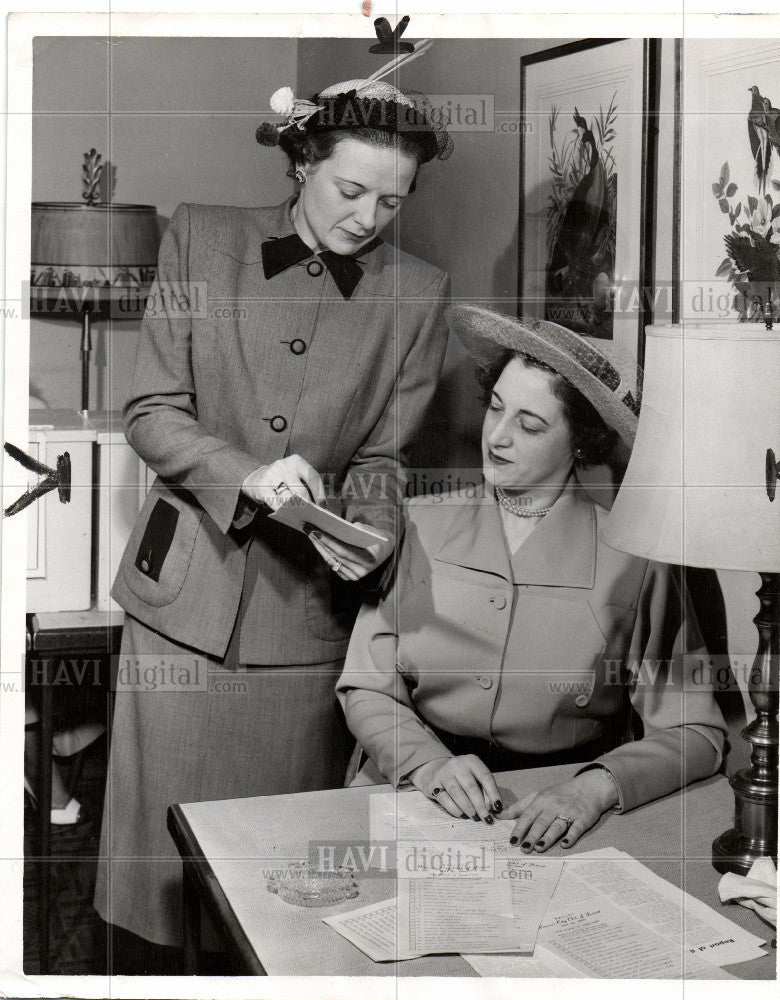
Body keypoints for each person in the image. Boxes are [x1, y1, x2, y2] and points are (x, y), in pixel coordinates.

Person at [94, 70, 452, 957]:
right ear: (301, 161)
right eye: (351, 189)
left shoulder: (419, 293)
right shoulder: (200, 240)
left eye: (392, 201)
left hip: (302, 626)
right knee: (155, 889)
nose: (369, 217)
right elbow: (150, 412)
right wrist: (249, 477)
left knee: (277, 898)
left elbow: (380, 460)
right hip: (179, 606)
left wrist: (369, 533)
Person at [337, 304, 727, 853]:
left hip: (556, 816)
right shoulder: (419, 523)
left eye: (529, 424)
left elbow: (698, 734)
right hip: (413, 791)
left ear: (580, 442)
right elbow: (366, 685)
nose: (496, 437)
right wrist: (426, 765)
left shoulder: (636, 559)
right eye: (495, 408)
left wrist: (593, 789)